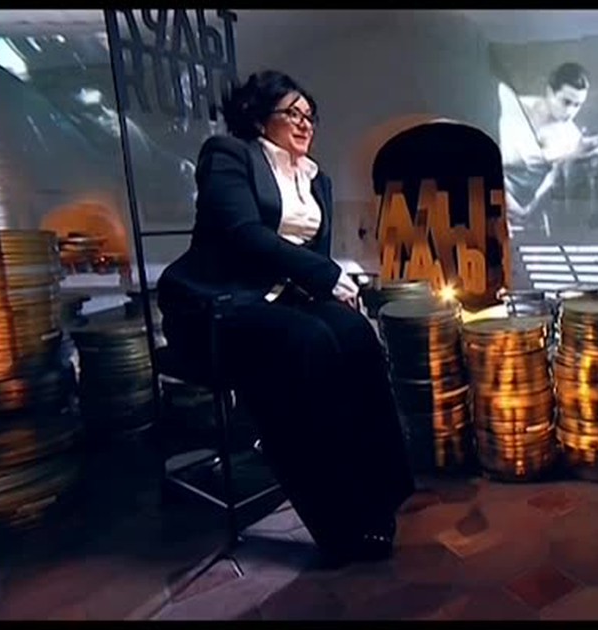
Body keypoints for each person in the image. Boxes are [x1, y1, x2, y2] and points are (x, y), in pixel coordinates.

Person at [157, 70, 414, 566]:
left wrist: (329, 290)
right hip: (217, 305)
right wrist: (327, 276)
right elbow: (243, 235)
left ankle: (381, 490)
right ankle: (339, 522)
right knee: (306, 343)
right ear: (259, 118)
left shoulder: (317, 178)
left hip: (278, 301)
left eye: (309, 115)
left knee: (355, 334)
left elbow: (308, 257)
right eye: (291, 113)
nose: (304, 123)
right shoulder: (230, 156)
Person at [498, 62, 598, 235]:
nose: (571, 111)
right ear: (550, 92)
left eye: (577, 105)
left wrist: (526, 211)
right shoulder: (515, 108)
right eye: (566, 102)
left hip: (524, 208)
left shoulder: (572, 137)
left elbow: (550, 181)